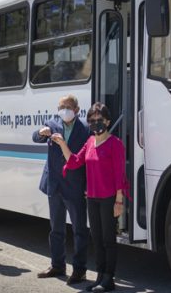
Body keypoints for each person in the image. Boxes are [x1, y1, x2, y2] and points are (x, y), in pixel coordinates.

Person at [51, 102, 128, 292]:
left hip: (109, 198)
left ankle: (109, 279)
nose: (95, 123)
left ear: (108, 121)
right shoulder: (90, 142)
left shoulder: (115, 144)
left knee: (108, 240)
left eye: (99, 120)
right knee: (97, 239)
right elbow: (75, 161)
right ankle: (100, 277)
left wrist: (119, 201)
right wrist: (62, 144)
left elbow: (120, 175)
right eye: (92, 120)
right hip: (92, 198)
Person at [32, 94, 90, 285]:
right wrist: (42, 132)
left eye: (67, 106)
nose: (63, 110)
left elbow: (87, 161)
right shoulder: (52, 123)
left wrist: (87, 185)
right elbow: (35, 137)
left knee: (79, 230)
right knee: (56, 229)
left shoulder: (85, 129)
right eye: (60, 107)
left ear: (76, 110)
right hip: (54, 184)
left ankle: (79, 270)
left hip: (74, 186)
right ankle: (57, 265)